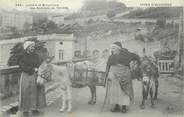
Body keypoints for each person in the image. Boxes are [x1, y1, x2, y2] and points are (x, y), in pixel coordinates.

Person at [105, 41, 140, 113]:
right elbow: (108, 65)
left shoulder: (126, 54)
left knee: (124, 91)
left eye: (113, 48)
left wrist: (136, 65)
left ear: (118, 48)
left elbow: (137, 57)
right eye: (111, 48)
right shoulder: (111, 56)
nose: (112, 49)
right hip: (114, 76)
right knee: (115, 91)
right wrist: (107, 73)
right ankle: (117, 105)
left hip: (125, 75)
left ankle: (124, 106)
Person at [18, 41, 45, 117]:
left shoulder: (35, 55)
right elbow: (22, 67)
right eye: (31, 47)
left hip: (35, 75)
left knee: (35, 92)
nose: (33, 48)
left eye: (33, 47)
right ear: (27, 47)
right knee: (25, 92)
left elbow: (39, 63)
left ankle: (34, 109)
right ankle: (25, 111)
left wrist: (40, 67)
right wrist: (32, 69)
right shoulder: (22, 56)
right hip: (26, 76)